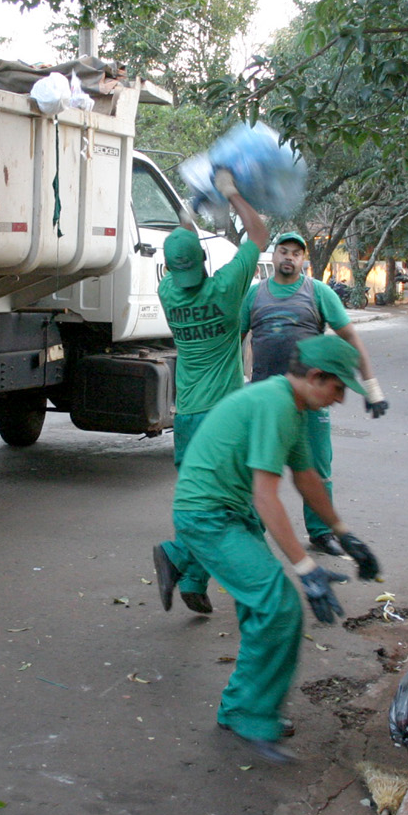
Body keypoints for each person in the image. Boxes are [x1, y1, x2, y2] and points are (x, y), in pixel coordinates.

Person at [166, 334, 381, 764]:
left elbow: (306, 478)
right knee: (279, 605)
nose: (340, 400)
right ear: (316, 377)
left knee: (262, 608)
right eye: (338, 388)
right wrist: (306, 569)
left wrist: (344, 533)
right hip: (207, 514)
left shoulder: (292, 405)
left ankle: (241, 707)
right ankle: (249, 712)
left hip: (228, 509)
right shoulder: (277, 404)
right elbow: (268, 497)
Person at [152, 166, 270, 615]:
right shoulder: (224, 289)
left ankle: (194, 582)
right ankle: (185, 560)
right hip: (221, 418)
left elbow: (181, 251)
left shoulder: (168, 293)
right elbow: (259, 234)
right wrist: (231, 193)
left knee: (198, 501)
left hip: (185, 417)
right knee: (237, 506)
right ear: (203, 263)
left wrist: (190, 213)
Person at [241, 232, 388, 557]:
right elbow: (235, 340)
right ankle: (254, 531)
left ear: (303, 259)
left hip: (310, 399)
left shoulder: (318, 292)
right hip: (265, 399)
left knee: (317, 468)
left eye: (296, 253)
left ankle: (321, 533)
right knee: (260, 469)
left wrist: (371, 388)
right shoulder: (253, 296)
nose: (289, 258)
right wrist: (235, 384)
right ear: (274, 256)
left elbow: (351, 337)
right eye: (283, 251)